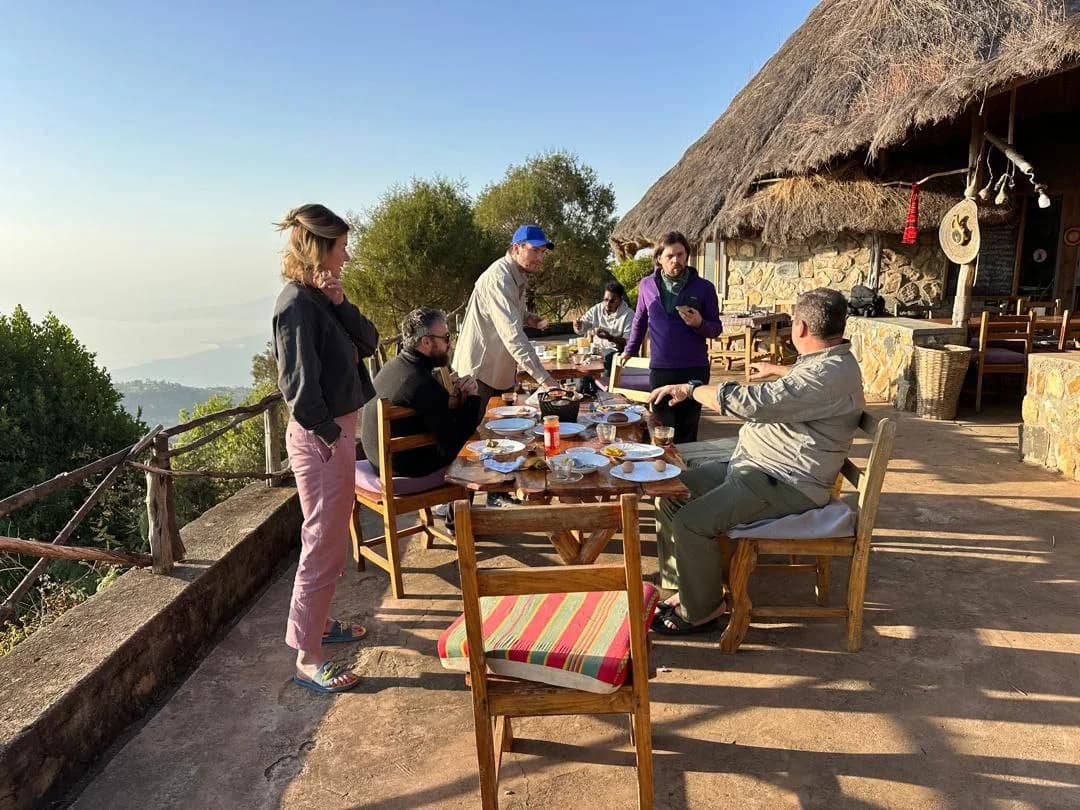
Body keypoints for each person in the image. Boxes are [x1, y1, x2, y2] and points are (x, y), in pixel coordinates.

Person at [645, 288, 864, 635]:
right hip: (757, 469)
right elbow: (805, 385)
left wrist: (691, 389)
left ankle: (700, 611)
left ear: (801, 327)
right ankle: (690, 591)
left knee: (690, 521)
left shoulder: (826, 374)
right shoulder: (829, 362)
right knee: (671, 492)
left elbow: (753, 403)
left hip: (785, 482)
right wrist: (778, 369)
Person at [272, 203, 379, 693]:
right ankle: (308, 657)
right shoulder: (294, 304)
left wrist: (340, 302)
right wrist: (334, 439)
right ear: (320, 247)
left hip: (333, 433)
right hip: (321, 439)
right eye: (341, 247)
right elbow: (297, 387)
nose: (347, 255)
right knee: (321, 542)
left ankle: (318, 625)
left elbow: (371, 340)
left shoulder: (320, 298)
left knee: (331, 539)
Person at [620, 231, 721, 443]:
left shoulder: (704, 288)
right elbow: (639, 320)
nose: (676, 260)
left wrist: (699, 324)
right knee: (660, 430)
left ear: (686, 255)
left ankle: (688, 475)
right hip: (661, 369)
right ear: (659, 258)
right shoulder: (647, 285)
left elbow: (716, 329)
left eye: (681, 254)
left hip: (694, 369)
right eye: (670, 256)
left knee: (687, 431)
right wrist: (629, 350)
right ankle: (661, 473)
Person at [361, 307, 483, 479]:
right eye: (446, 338)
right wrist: (473, 399)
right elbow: (455, 443)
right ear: (426, 342)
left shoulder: (395, 366)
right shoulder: (421, 382)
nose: (450, 344)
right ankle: (467, 503)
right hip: (404, 472)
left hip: (379, 464)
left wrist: (456, 401)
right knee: (479, 451)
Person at [452, 224, 559, 403]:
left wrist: (528, 318)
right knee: (482, 431)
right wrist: (546, 381)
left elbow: (506, 313)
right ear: (517, 248)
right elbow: (513, 335)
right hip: (479, 377)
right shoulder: (499, 279)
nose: (540, 258)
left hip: (501, 376)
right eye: (535, 251)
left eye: (543, 252)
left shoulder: (515, 275)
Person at [574, 280, 634, 374]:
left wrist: (610, 337)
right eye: (605, 300)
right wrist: (578, 325)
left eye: (612, 301)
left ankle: (605, 386)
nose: (607, 304)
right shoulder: (597, 309)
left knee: (607, 357)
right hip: (595, 350)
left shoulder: (628, 315)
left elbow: (628, 342)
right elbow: (582, 326)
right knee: (581, 376)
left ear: (620, 299)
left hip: (614, 351)